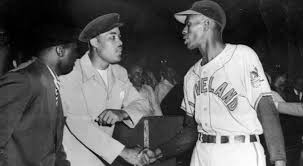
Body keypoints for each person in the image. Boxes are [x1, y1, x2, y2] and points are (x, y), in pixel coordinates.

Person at [170, 1, 286, 166]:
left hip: (239, 151)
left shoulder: (242, 56)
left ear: (206, 23)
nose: (183, 30)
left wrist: (279, 159)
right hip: (201, 154)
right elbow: (190, 130)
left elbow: (266, 107)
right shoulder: (190, 75)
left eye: (189, 24)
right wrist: (158, 152)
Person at [59, 13, 151, 166]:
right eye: (112, 37)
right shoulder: (71, 72)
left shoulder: (119, 73)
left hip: (103, 159)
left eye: (120, 37)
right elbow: (78, 123)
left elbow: (142, 104)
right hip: (72, 160)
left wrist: (122, 113)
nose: (120, 42)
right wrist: (124, 152)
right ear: (95, 42)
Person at [0, 25, 79, 166]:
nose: (77, 58)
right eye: (75, 51)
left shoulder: (49, 82)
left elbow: (53, 145)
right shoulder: (24, 79)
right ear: (60, 51)